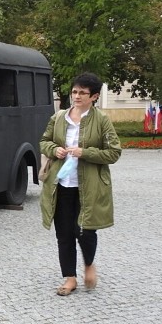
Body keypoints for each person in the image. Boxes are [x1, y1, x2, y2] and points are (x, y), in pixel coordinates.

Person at [40, 72, 122, 296]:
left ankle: (88, 265)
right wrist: (53, 149)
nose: (77, 96)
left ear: (94, 96)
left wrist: (84, 152)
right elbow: (44, 141)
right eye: (74, 91)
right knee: (64, 233)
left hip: (90, 187)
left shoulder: (101, 120)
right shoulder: (59, 118)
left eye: (83, 93)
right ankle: (69, 278)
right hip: (61, 185)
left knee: (84, 231)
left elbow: (114, 152)